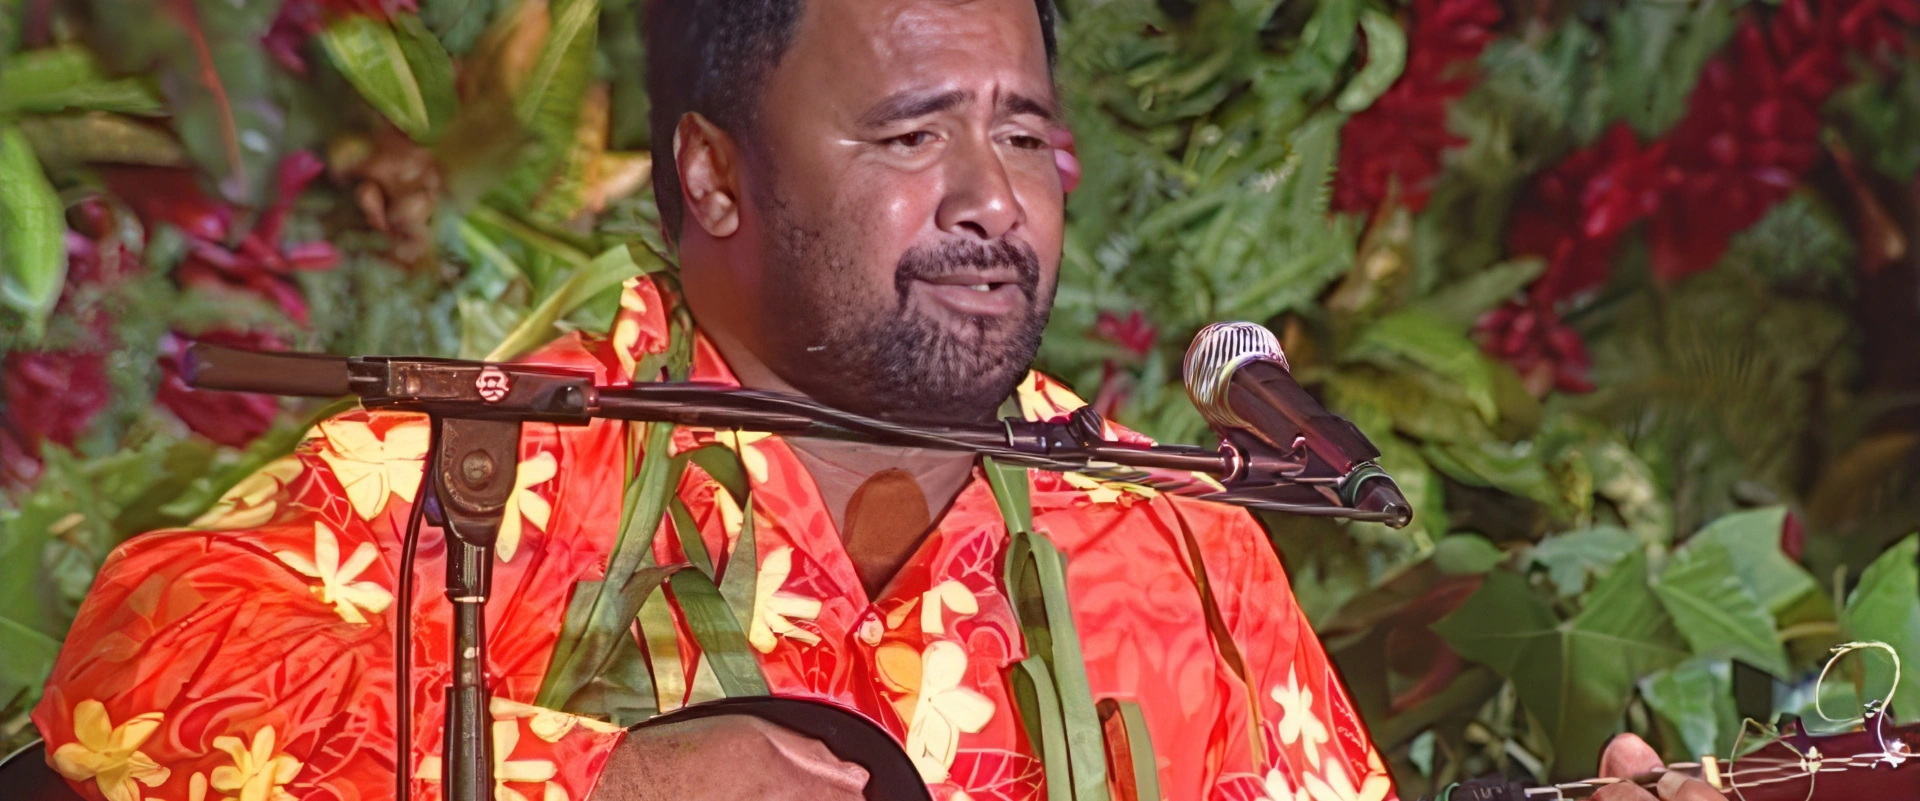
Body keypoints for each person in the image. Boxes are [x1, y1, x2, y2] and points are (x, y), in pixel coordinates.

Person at [30, 1, 1721, 800]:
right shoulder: (520, 443)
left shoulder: (1155, 530)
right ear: (713, 173)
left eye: (1029, 135)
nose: (999, 199)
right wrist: (593, 783)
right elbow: (140, 661)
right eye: (915, 136)